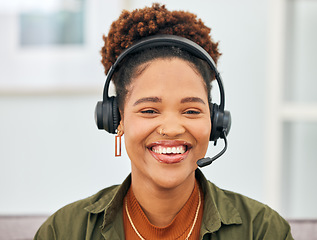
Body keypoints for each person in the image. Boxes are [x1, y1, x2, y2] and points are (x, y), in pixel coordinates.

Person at [34, 3, 293, 239]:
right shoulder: (64, 231)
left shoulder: (261, 230)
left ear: (216, 122)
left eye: (191, 111)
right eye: (149, 110)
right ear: (117, 119)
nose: (171, 129)